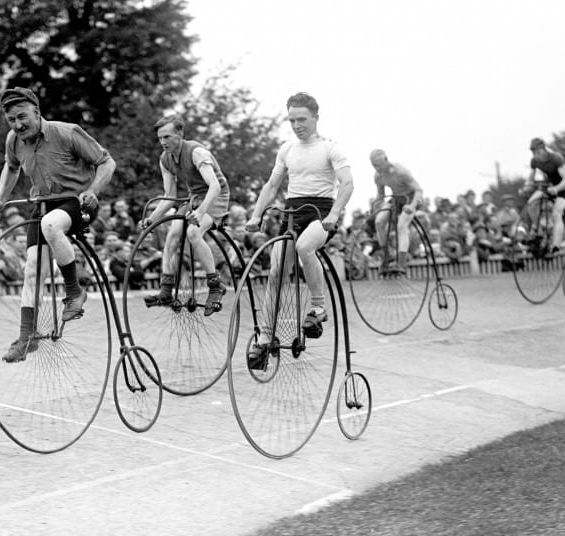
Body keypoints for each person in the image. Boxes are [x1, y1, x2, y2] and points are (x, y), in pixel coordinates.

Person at [0, 86, 117, 363]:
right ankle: (27, 336)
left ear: (37, 112)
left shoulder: (67, 132)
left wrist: (93, 190)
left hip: (76, 202)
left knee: (50, 225)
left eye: (23, 117)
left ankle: (74, 291)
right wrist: (0, 200)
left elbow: (107, 162)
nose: (18, 125)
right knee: (32, 271)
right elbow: (11, 168)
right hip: (42, 205)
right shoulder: (14, 141)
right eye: (12, 120)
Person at [244, 92, 354, 368]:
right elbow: (271, 186)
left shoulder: (331, 148)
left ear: (316, 117)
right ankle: (266, 337)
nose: (297, 125)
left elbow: (347, 183)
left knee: (306, 246)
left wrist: (334, 213)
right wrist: (256, 215)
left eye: (302, 119)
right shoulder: (287, 149)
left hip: (320, 213)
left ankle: (318, 306)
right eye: (292, 119)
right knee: (276, 271)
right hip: (292, 212)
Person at [141, 115, 230, 316]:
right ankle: (166, 290)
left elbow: (214, 185)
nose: (163, 142)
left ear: (180, 134)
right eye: (160, 138)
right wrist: (152, 218)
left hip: (215, 197)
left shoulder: (197, 152)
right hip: (194, 198)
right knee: (172, 236)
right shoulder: (165, 159)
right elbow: (170, 196)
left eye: (167, 137)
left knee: (193, 233)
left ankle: (215, 286)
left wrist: (201, 211)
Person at [369, 149, 423, 274]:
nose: (376, 168)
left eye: (378, 164)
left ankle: (402, 263)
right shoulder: (378, 176)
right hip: (395, 199)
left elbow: (419, 190)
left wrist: (412, 205)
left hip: (410, 198)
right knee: (379, 221)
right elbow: (381, 195)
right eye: (373, 165)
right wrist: (375, 205)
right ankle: (387, 256)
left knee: (401, 225)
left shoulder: (401, 172)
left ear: (386, 160)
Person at [521, 137, 565, 253]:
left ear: (544, 149)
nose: (536, 155)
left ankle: (556, 244)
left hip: (563, 188)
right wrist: (526, 187)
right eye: (533, 153)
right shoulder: (534, 161)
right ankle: (538, 230)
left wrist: (557, 188)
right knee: (531, 204)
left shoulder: (556, 158)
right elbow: (531, 178)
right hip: (548, 186)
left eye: (538, 152)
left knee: (556, 213)